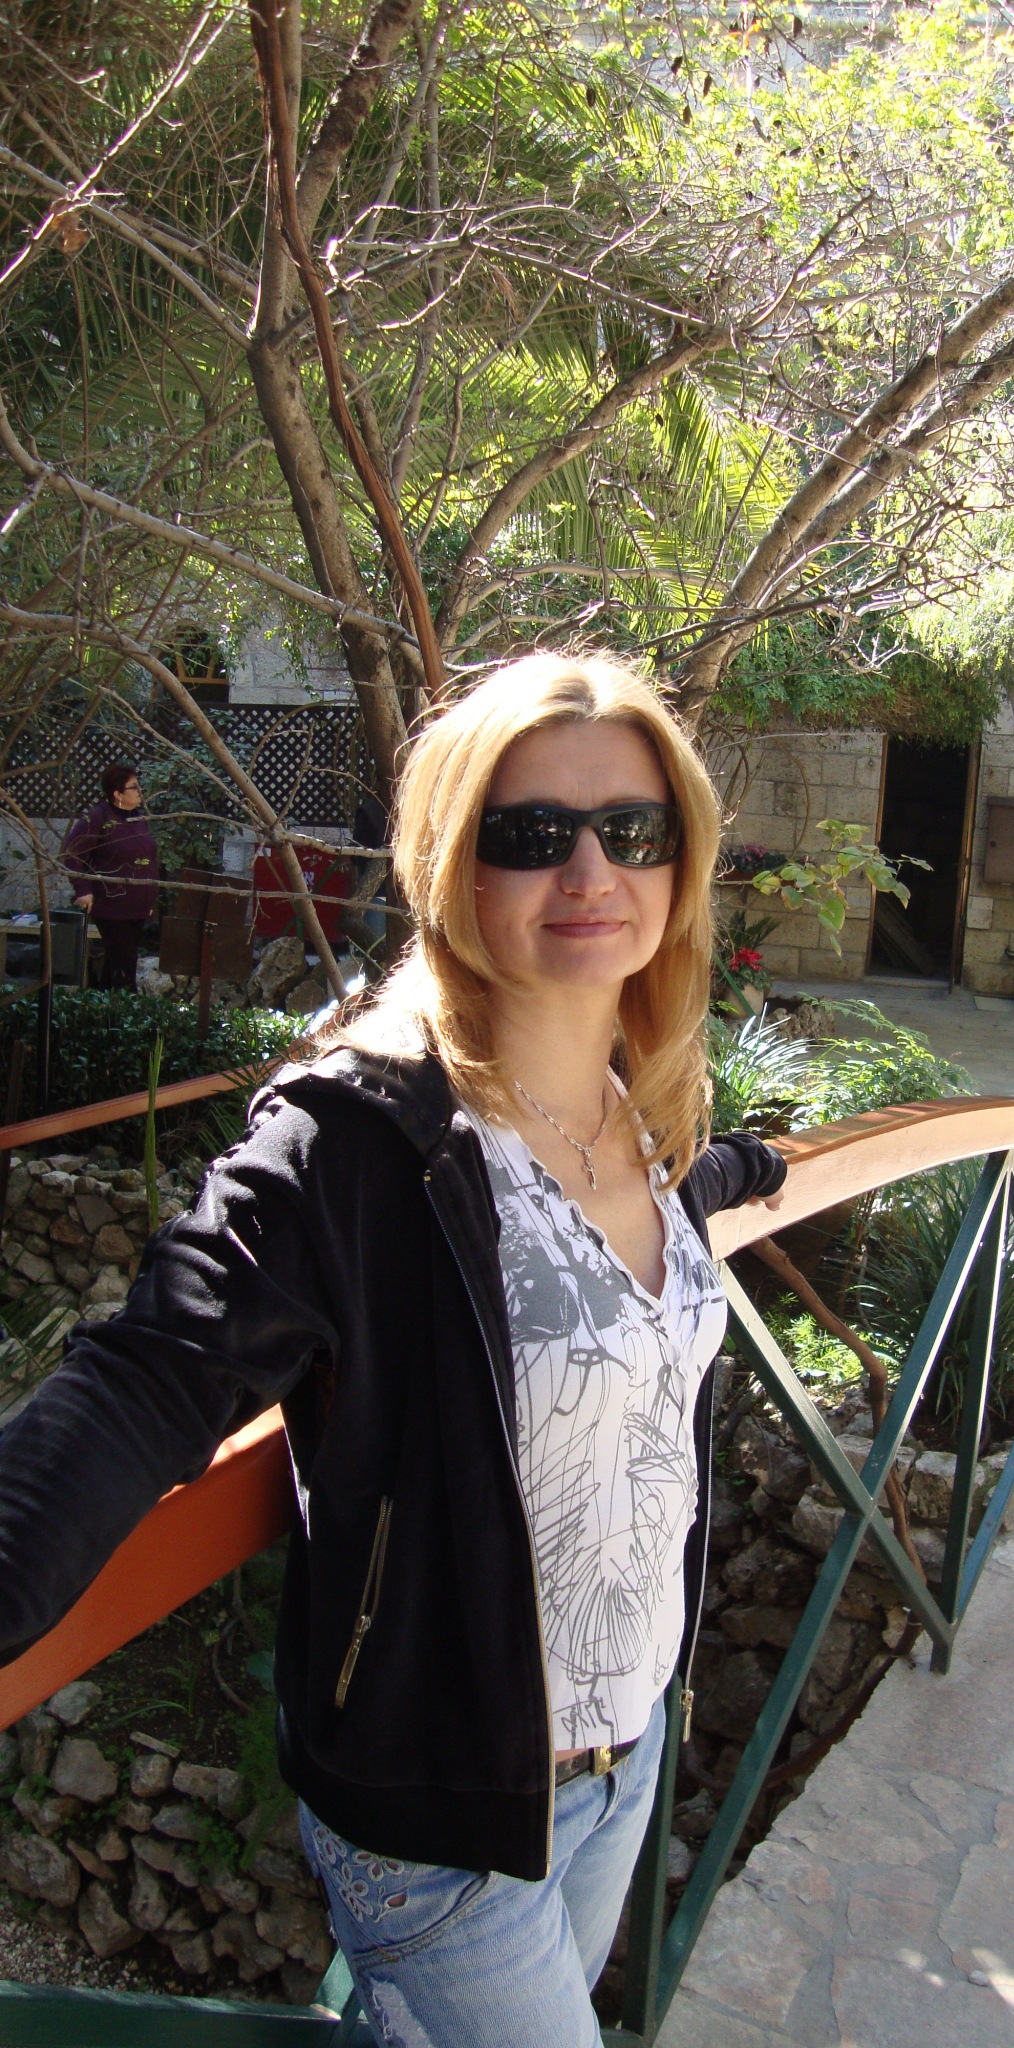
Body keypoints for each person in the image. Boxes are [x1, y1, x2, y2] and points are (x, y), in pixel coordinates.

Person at [0, 654, 786, 2047]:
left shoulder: (638, 1107)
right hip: (441, 1815)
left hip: (623, 1757)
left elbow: (621, 1244)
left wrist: (736, 1170)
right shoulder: (355, 1139)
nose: (590, 869)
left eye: (632, 828)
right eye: (529, 833)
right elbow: (144, 1379)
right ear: (450, 863)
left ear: (682, 858)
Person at [61, 761, 159, 990]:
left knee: (118, 964)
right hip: (111, 904)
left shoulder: (137, 818)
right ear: (117, 794)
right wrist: (82, 890)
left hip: (137, 907)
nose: (140, 791)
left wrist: (149, 899)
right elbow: (72, 853)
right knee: (124, 962)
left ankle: (105, 1005)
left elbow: (148, 858)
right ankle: (126, 1006)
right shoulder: (98, 817)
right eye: (133, 787)